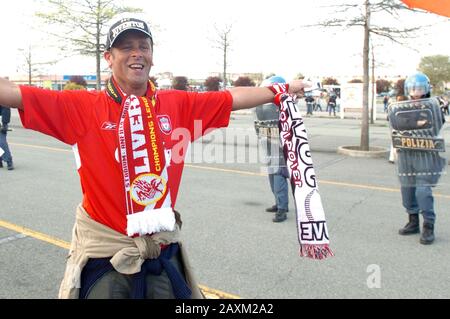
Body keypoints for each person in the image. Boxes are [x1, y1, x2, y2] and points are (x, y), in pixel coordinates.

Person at [0, 17, 309, 299]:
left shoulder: (177, 105)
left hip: (160, 249)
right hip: (106, 254)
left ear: (151, 55)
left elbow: (231, 99)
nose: (137, 53)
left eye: (143, 46)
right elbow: (14, 93)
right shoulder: (81, 106)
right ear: (109, 57)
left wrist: (280, 89)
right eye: (126, 47)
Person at [391, 72, 446, 245]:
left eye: (420, 88)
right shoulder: (401, 106)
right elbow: (395, 124)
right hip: (407, 154)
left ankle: (428, 225)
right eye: (413, 88)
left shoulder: (433, 106)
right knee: (407, 190)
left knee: (423, 191)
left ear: (426, 89)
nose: (416, 92)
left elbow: (436, 124)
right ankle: (413, 221)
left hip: (426, 155)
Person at [255, 76, 290, 223]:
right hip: (267, 141)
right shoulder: (263, 102)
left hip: (278, 144)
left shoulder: (283, 104)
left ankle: (282, 208)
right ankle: (279, 202)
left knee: (278, 174)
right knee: (272, 174)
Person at [0, 105, 14, 170]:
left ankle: (9, 161)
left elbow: (6, 108)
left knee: (2, 142)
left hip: (1, 122)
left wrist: (4, 123)